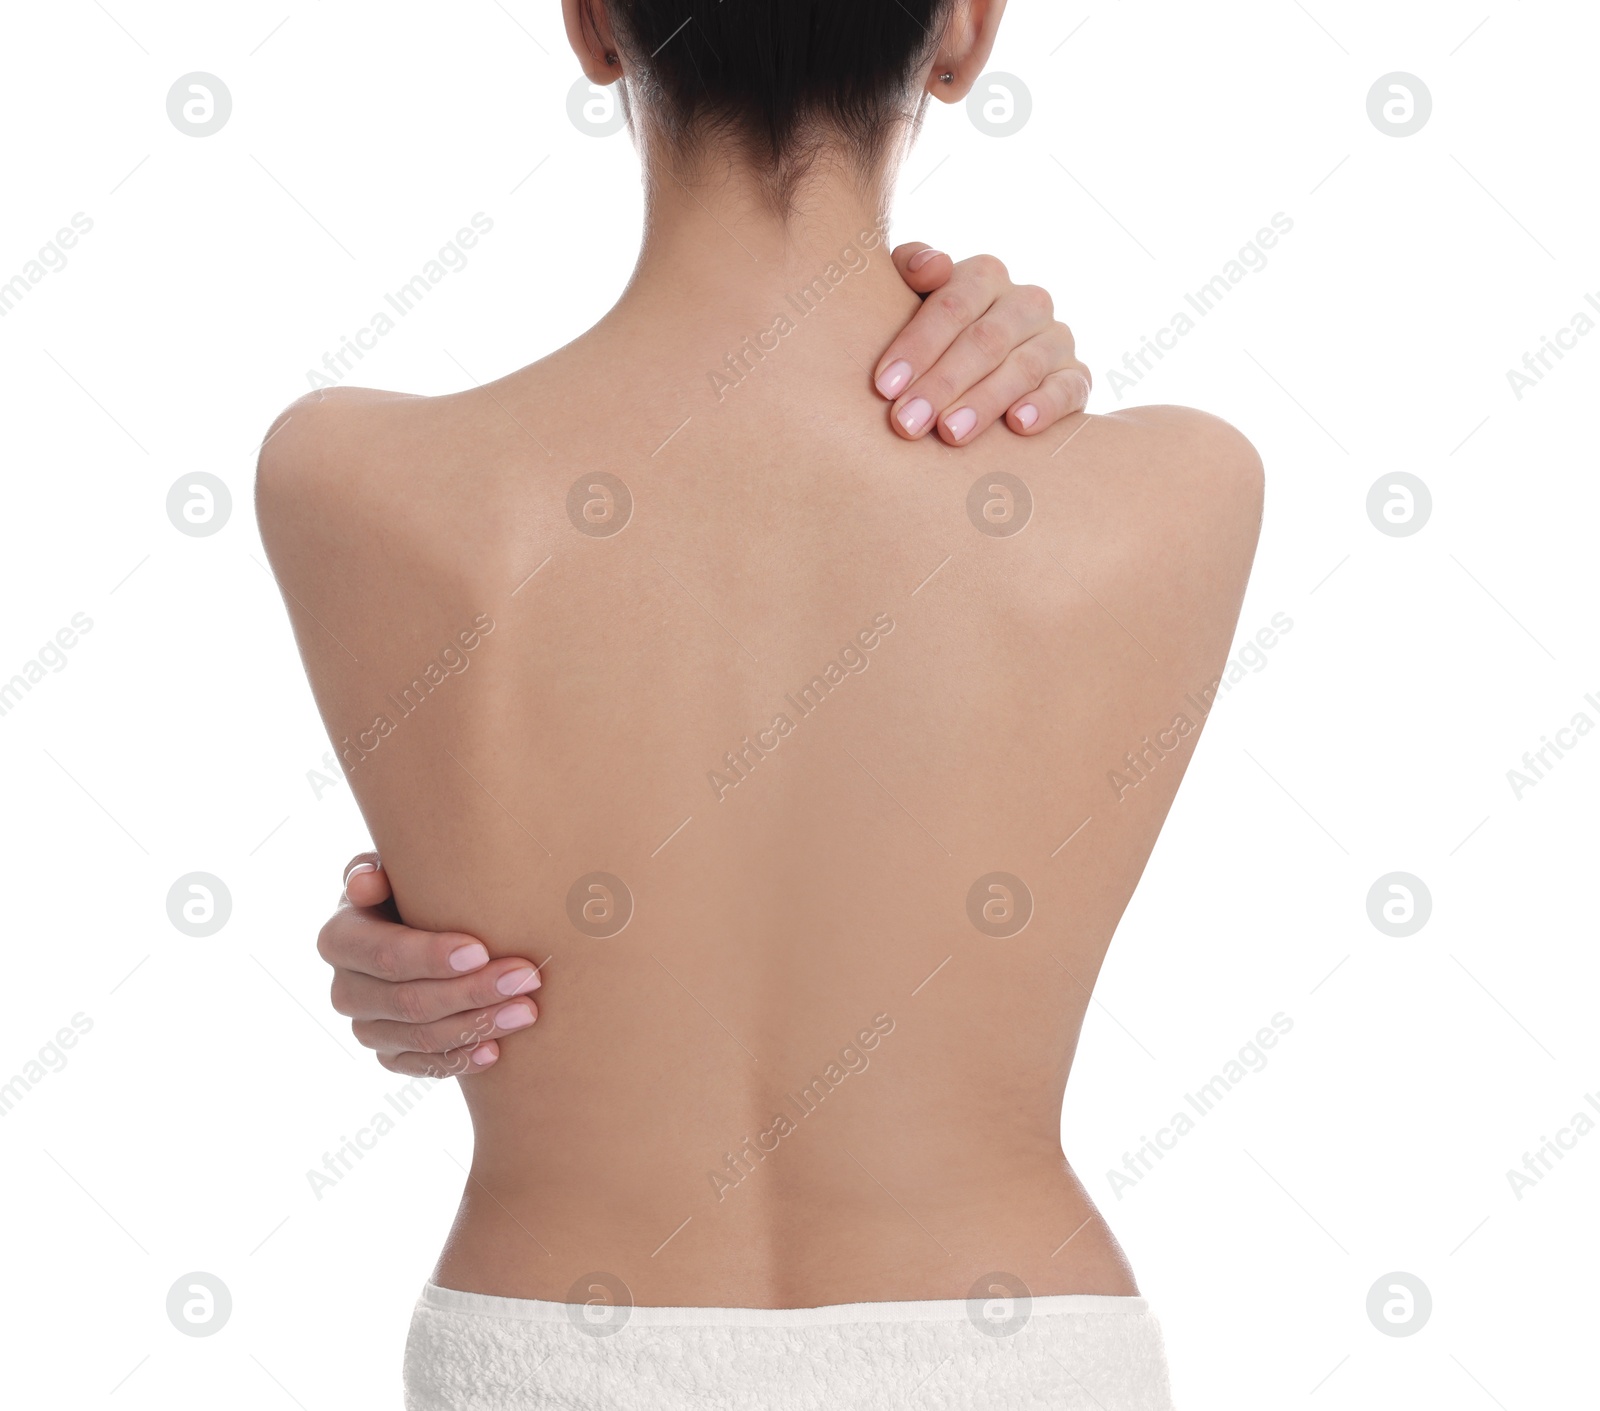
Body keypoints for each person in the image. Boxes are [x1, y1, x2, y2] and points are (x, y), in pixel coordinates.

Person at [257, 2, 1262, 1406]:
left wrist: (387, 919)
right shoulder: (1187, 489)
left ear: (593, 26)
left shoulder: (347, 478)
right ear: (966, 32)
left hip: (560, 1348)